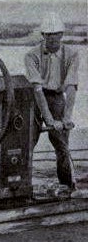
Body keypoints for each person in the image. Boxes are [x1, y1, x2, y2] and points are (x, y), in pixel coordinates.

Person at [24, 12, 79, 191]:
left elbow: (71, 87)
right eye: (48, 34)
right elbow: (38, 90)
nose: (52, 38)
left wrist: (66, 118)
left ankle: (66, 184)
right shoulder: (31, 55)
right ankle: (22, 184)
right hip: (35, 97)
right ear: (43, 36)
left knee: (62, 144)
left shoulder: (71, 54)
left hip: (56, 97)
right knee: (27, 140)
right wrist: (48, 120)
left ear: (62, 35)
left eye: (56, 34)